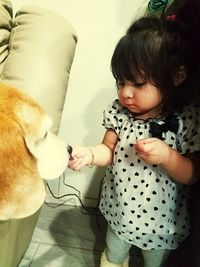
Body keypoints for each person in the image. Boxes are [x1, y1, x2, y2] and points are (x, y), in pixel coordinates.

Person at [68, 6, 200, 267]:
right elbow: (108, 148)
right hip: (121, 212)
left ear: (176, 76)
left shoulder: (185, 119)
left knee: (157, 262)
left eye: (138, 84)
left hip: (163, 224)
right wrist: (91, 154)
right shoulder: (119, 113)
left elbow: (194, 173)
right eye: (121, 82)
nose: (126, 93)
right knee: (114, 254)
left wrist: (168, 156)